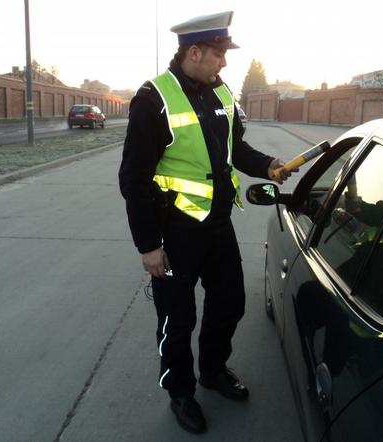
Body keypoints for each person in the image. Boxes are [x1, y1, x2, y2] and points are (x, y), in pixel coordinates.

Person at [118, 10, 292, 434]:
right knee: (177, 320)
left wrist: (268, 165)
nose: (224, 62)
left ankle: (213, 370)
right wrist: (148, 245)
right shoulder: (152, 99)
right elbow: (133, 178)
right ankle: (181, 392)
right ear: (193, 52)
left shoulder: (222, 94)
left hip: (217, 226)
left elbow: (236, 150)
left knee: (229, 303)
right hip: (173, 232)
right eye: (218, 53)